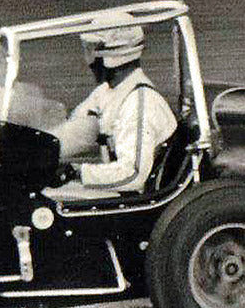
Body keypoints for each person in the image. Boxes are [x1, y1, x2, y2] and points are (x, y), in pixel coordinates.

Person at [47, 12, 178, 198]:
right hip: (116, 188)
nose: (90, 62)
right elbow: (77, 127)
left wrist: (76, 172)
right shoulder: (107, 92)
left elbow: (133, 174)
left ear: (112, 55)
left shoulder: (140, 103)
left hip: (132, 197)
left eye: (93, 51)